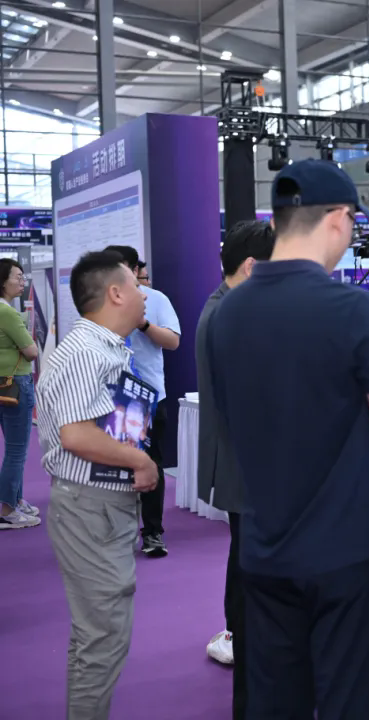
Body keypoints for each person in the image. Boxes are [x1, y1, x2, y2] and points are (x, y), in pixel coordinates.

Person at [207, 159, 369, 719]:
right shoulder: (352, 308)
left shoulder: (229, 311)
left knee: (277, 702)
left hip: (264, 549)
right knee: (349, 700)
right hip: (345, 551)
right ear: (338, 218)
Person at [36, 250, 158, 720]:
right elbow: (77, 435)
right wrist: (140, 460)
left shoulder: (99, 348)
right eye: (137, 285)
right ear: (115, 293)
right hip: (91, 506)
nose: (143, 293)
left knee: (99, 632)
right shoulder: (87, 353)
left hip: (98, 506)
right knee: (102, 635)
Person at [195, 219, 275, 716]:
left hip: (248, 470)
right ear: (251, 267)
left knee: (246, 575)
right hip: (253, 471)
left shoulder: (227, 308)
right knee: (254, 591)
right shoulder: (232, 317)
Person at [105, 245, 181, 558]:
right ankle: (116, 533)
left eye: (124, 268)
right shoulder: (102, 301)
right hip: (111, 395)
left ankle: (152, 532)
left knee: (151, 464)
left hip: (149, 396)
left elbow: (173, 341)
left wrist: (143, 325)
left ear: (135, 270)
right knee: (113, 467)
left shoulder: (156, 299)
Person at [0, 259, 41, 528]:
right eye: (17, 277)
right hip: (16, 384)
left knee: (13, 449)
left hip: (5, 384)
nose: (22, 281)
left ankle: (15, 500)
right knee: (16, 451)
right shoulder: (7, 313)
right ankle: (7, 510)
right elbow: (32, 351)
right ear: (3, 281)